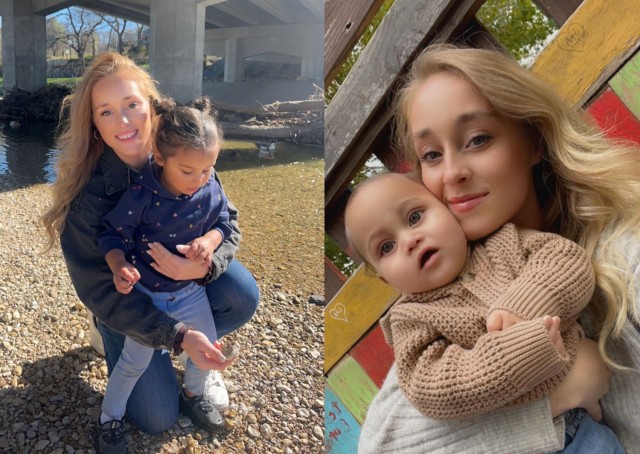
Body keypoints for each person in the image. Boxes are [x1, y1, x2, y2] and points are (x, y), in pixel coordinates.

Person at [357, 44, 640, 453]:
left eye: (477, 139)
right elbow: (381, 444)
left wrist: (525, 311)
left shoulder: (621, 254)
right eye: (432, 155)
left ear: (533, 140)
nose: (452, 173)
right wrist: (559, 395)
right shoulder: (442, 299)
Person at [41, 53, 259, 446]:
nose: (123, 122)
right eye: (106, 112)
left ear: (151, 106)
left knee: (242, 295)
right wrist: (173, 335)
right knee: (156, 418)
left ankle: (195, 360)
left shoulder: (187, 150)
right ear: (93, 124)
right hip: (128, 303)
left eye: (131, 105)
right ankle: (126, 339)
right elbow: (98, 289)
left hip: (184, 286)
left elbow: (228, 220)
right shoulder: (91, 199)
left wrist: (202, 268)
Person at [345, 172, 623, 451]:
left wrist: (524, 306)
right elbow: (431, 386)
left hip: (581, 433)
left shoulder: (503, 244)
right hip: (518, 440)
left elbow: (565, 259)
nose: (410, 240)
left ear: (449, 210)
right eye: (387, 247)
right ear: (386, 280)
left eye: (415, 217)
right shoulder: (412, 319)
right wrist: (508, 357)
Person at [94, 97, 238, 451]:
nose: (199, 180)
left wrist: (210, 239)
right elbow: (110, 234)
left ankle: (193, 391)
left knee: (206, 347)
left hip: (190, 291)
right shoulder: (142, 195)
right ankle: (108, 419)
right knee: (132, 363)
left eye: (208, 169)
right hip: (147, 298)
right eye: (187, 171)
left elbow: (225, 221)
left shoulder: (209, 186)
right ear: (159, 158)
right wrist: (118, 265)